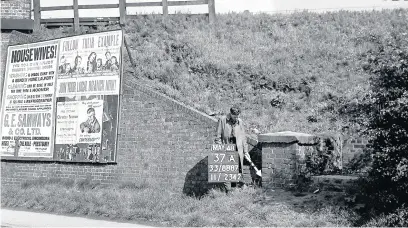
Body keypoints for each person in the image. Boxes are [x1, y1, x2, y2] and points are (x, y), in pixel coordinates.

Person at [215, 106, 254, 191]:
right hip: (227, 148)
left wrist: (246, 151)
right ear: (231, 114)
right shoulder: (222, 120)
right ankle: (228, 191)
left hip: (238, 149)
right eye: (235, 116)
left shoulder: (240, 122)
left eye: (238, 116)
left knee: (237, 169)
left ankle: (235, 188)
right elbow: (218, 138)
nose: (236, 118)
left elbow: (243, 138)